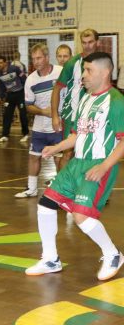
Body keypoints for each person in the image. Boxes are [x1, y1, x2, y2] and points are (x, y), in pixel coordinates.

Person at [26, 52, 124, 280]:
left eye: (89, 71)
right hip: (76, 163)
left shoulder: (117, 102)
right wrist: (57, 147)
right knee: (46, 205)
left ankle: (113, 254)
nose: (84, 76)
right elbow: (76, 135)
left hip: (99, 165)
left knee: (81, 217)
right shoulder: (85, 99)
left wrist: (105, 166)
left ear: (105, 72)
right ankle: (50, 259)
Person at [15, 44, 62, 198]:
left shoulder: (60, 73)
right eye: (33, 59)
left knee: (59, 158)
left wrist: (58, 114)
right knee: (34, 156)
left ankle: (61, 192)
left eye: (39, 58)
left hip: (59, 125)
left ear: (47, 57)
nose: (36, 61)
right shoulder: (30, 80)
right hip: (39, 127)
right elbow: (28, 106)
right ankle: (32, 189)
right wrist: (43, 111)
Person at [51, 29, 99, 170]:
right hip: (72, 117)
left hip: (93, 117)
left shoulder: (103, 63)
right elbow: (57, 89)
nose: (87, 46)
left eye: (90, 42)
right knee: (67, 154)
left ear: (97, 42)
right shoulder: (73, 63)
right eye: (84, 43)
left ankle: (84, 187)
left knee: (90, 154)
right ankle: (59, 189)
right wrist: (54, 115)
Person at [0, 56, 29, 142]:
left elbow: (24, 79)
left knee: (22, 114)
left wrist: (27, 92)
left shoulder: (15, 69)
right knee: (7, 115)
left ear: (5, 63)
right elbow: (1, 86)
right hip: (10, 95)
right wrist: (0, 97)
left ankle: (25, 134)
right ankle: (5, 135)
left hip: (20, 94)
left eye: (0, 63)